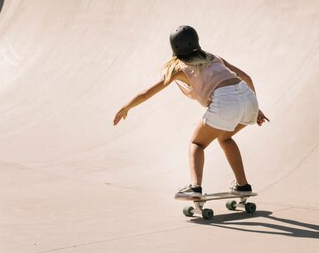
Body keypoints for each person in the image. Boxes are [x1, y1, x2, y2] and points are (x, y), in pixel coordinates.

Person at [113, 25, 269, 199]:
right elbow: (246, 77)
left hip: (225, 101)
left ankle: (195, 188)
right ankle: (243, 185)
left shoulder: (180, 68)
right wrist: (256, 108)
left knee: (197, 143)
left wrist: (126, 107)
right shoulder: (214, 57)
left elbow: (147, 93)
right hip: (248, 97)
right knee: (225, 137)